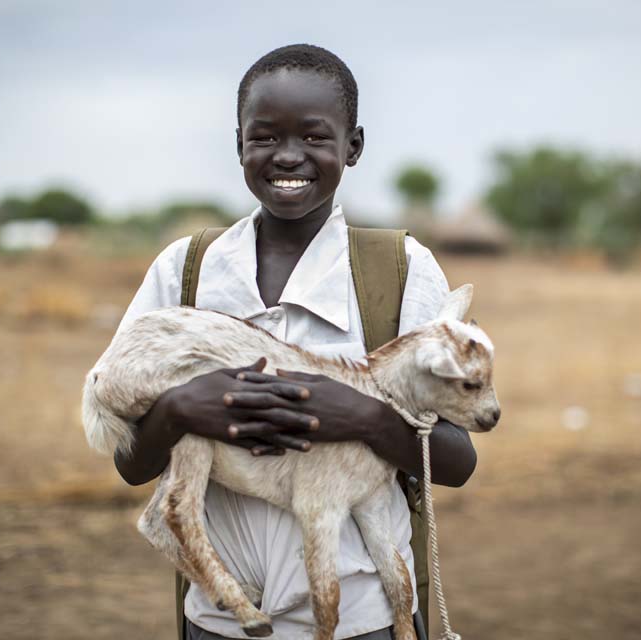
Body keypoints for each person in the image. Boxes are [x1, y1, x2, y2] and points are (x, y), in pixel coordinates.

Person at [111, 44, 478, 639]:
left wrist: (362, 416)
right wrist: (180, 409)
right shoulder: (187, 271)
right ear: (238, 143)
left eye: (314, 137)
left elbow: (458, 462)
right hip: (220, 623)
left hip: (364, 621)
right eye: (264, 137)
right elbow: (131, 464)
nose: (288, 156)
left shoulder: (400, 271)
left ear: (352, 146)